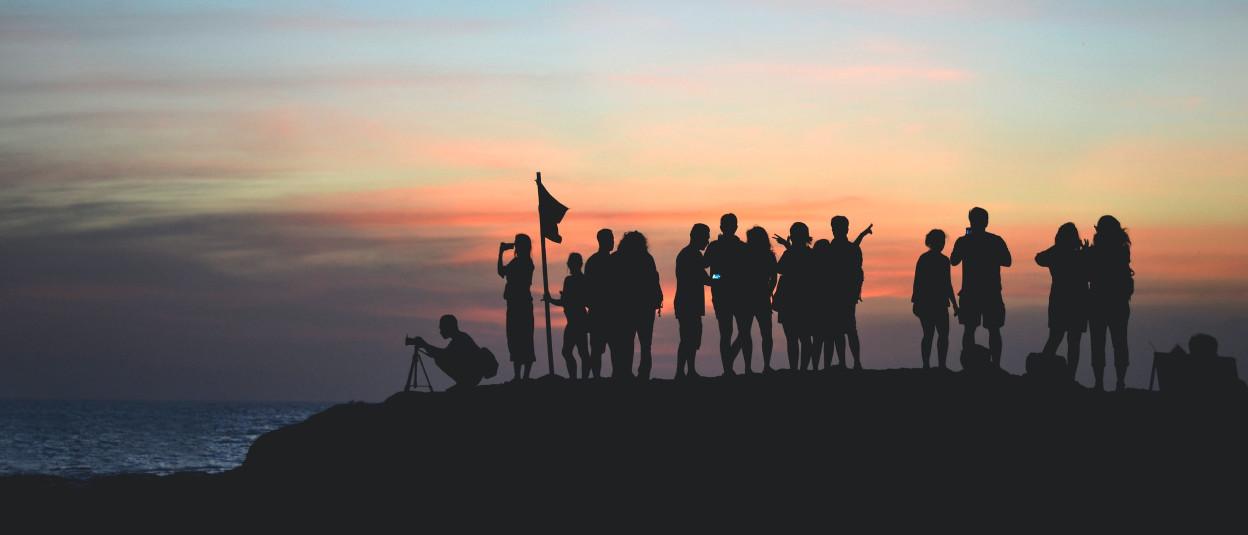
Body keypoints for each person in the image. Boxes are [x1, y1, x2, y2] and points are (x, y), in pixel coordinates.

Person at [950, 207, 1012, 368]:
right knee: (994, 329)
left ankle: (969, 365)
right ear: (986, 222)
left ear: (971, 221)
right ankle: (996, 365)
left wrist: (966, 240)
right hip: (991, 292)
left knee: (969, 329)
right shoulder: (995, 240)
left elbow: (953, 260)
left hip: (971, 292)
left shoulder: (964, 241)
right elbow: (1007, 261)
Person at [1035, 222, 1088, 380]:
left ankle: (1043, 373)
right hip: (1078, 301)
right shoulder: (1080, 256)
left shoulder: (1056, 254)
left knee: (1056, 337)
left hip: (1060, 300)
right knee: (1073, 342)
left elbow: (1039, 258)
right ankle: (1070, 377)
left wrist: (1057, 247)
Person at [1087, 215, 1133, 391]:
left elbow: (1089, 274)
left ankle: (1099, 384)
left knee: (1097, 344)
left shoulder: (1095, 252)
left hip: (1098, 303)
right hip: (1118, 303)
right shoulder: (1122, 250)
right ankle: (1120, 383)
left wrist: (1086, 254)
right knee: (1120, 343)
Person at [612, 231, 663, 379]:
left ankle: (626, 372)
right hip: (643, 307)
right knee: (645, 344)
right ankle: (642, 373)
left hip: (625, 308)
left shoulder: (616, 258)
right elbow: (654, 280)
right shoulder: (646, 258)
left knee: (627, 342)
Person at [704, 213, 749, 375]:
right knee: (729, 332)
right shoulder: (717, 246)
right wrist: (717, 278)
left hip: (736, 294)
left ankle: (729, 363)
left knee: (739, 332)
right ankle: (728, 368)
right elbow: (705, 265)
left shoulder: (740, 247)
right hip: (726, 294)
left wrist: (717, 278)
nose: (729, 228)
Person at [825, 216, 869, 369]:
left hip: (837, 295)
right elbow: (858, 272)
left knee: (842, 330)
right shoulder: (851, 249)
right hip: (845, 295)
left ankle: (849, 363)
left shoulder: (831, 249)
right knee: (847, 329)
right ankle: (852, 363)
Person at [912, 229, 959, 369]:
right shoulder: (935, 260)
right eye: (940, 241)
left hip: (934, 303)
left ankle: (937, 365)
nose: (942, 244)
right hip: (932, 304)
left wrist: (954, 305)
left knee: (935, 335)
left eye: (943, 241)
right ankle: (934, 365)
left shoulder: (935, 259)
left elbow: (946, 284)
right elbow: (919, 282)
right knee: (934, 335)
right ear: (932, 242)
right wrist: (955, 305)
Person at [774, 222, 815, 370]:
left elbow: (779, 269)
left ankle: (795, 369)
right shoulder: (811, 254)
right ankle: (802, 368)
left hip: (789, 300)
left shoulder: (790, 253)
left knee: (793, 338)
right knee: (804, 338)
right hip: (805, 301)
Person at [738, 226, 778, 372]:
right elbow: (774, 277)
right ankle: (764, 366)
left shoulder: (744, 253)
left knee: (747, 334)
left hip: (748, 298)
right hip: (759, 296)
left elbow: (773, 276)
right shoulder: (768, 255)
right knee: (765, 334)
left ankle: (750, 367)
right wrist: (769, 291)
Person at [674, 224, 711, 378]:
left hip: (686, 303)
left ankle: (688, 371)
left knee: (690, 338)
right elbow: (705, 277)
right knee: (689, 338)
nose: (707, 241)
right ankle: (683, 372)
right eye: (706, 237)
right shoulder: (692, 255)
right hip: (689, 303)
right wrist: (721, 277)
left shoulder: (688, 253)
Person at [408, 315, 484, 390]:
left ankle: (464, 383)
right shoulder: (460, 337)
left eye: (442, 328)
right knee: (439, 359)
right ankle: (463, 383)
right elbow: (445, 354)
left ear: (449, 327)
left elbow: (444, 355)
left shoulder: (461, 339)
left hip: (472, 376)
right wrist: (425, 346)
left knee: (440, 360)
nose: (441, 332)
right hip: (473, 375)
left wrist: (425, 345)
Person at [544, 253, 589, 379]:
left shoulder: (575, 280)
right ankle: (576, 377)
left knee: (578, 352)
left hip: (577, 319)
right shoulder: (574, 280)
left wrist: (552, 300)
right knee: (573, 351)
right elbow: (566, 301)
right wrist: (552, 299)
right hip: (574, 318)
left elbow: (569, 301)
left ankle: (578, 378)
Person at [498, 233, 535, 381]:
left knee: (523, 339)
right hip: (515, 305)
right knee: (515, 339)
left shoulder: (524, 262)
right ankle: (519, 376)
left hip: (521, 305)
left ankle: (523, 376)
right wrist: (501, 252)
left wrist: (500, 252)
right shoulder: (518, 262)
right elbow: (501, 272)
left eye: (517, 243)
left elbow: (502, 272)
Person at [584, 229, 616, 379]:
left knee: (613, 347)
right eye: (610, 239)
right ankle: (596, 377)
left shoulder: (595, 261)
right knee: (597, 349)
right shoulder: (598, 262)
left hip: (607, 310)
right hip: (601, 311)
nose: (612, 242)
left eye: (612, 239)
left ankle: (611, 375)